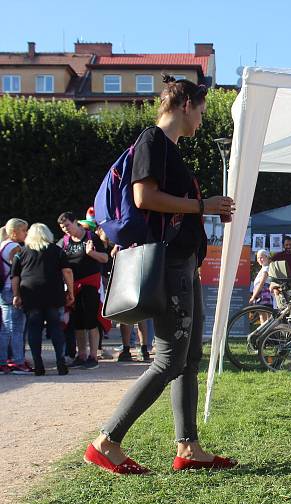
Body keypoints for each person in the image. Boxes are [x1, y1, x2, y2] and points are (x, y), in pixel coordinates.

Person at [85, 75, 237, 475]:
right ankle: (106, 441)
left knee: (189, 359)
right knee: (169, 360)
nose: (203, 120)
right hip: (168, 264)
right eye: (202, 111)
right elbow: (143, 197)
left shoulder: (167, 147)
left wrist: (202, 207)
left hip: (181, 263)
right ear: (185, 103)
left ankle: (189, 447)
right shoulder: (153, 141)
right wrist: (203, 205)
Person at [10, 223, 74, 376]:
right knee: (56, 327)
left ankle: (38, 365)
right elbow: (67, 271)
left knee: (34, 328)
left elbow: (15, 277)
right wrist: (70, 292)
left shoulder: (21, 253)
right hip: (53, 292)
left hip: (31, 293)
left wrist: (16, 295)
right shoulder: (57, 251)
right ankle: (61, 363)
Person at [57, 211, 108, 370]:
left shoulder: (91, 237)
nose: (65, 229)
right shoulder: (64, 242)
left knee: (91, 320)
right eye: (62, 227)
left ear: (76, 222)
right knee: (77, 322)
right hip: (73, 286)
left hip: (91, 285)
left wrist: (91, 253)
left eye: (67, 225)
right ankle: (81, 355)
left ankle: (93, 356)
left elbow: (105, 259)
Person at [1, 218, 29, 374]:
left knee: (5, 329)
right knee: (17, 328)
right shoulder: (15, 247)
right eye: (23, 230)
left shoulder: (2, 244)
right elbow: (17, 271)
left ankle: (2, 361)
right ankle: (18, 361)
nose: (26, 233)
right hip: (13, 290)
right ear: (14, 232)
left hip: (3, 290)